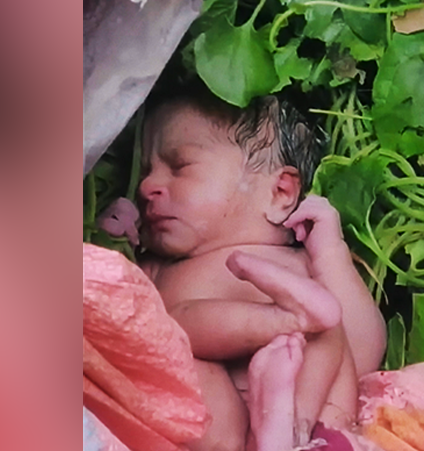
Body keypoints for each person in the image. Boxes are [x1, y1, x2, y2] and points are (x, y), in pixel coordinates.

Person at [106, 84, 386, 451]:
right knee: (167, 334)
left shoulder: (302, 265)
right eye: (145, 170)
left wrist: (331, 254)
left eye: (179, 167)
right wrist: (112, 241)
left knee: (328, 336)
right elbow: (115, 313)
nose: (146, 186)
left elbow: (365, 348)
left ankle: (286, 425)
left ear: (280, 192)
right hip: (218, 431)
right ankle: (267, 427)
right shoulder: (159, 269)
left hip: (315, 431)